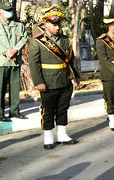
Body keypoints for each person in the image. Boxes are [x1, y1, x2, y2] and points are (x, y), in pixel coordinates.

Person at [28, 9, 81, 149]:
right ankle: (48, 137)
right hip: (47, 81)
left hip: (64, 80)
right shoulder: (37, 41)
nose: (57, 27)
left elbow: (71, 60)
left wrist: (75, 77)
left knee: (63, 109)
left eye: (58, 24)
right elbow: (33, 64)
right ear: (46, 24)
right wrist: (39, 82)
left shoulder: (65, 40)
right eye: (54, 24)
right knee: (48, 110)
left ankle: (62, 134)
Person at [0, 2, 28, 121]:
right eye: (7, 10)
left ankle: (14, 111)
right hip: (1, 61)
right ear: (0, 11)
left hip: (15, 60)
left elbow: (24, 38)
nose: (10, 12)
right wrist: (6, 52)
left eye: (11, 10)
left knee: (15, 87)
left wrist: (14, 50)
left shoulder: (18, 26)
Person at [96, 16, 114, 131]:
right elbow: (103, 59)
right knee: (110, 98)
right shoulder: (101, 40)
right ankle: (112, 118)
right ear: (111, 27)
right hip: (109, 74)